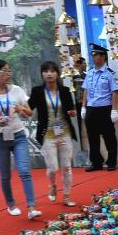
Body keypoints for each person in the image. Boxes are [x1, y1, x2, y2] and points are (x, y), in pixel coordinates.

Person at [0, 59, 42, 219]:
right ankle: (11, 204)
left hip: (18, 135)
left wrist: (21, 108)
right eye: (4, 71)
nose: (8, 74)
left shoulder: (17, 90)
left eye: (9, 71)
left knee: (25, 171)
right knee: (5, 175)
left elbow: (29, 113)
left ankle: (32, 208)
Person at [29, 61, 78, 206]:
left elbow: (71, 109)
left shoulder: (64, 91)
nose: (49, 74)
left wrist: (72, 112)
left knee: (67, 167)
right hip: (47, 135)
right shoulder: (37, 91)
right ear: (42, 74)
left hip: (64, 133)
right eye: (45, 71)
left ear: (57, 74)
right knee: (53, 168)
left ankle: (67, 196)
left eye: (52, 71)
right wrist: (20, 109)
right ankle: (52, 186)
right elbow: (29, 108)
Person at [81, 43, 118, 172]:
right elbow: (85, 90)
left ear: (103, 56)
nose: (94, 56)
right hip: (91, 108)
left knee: (109, 136)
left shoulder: (110, 73)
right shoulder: (90, 73)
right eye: (93, 54)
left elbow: (115, 92)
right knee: (92, 137)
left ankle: (112, 161)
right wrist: (83, 107)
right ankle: (96, 162)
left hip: (105, 108)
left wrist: (114, 110)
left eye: (96, 54)